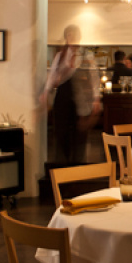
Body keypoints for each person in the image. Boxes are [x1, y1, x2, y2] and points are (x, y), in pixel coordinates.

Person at [40, 25, 101, 163]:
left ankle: (77, 166)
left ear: (79, 37)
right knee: (61, 134)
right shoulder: (60, 56)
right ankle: (61, 166)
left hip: (81, 100)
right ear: (66, 38)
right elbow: (52, 75)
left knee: (80, 135)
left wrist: (96, 98)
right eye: (69, 35)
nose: (72, 38)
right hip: (62, 98)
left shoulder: (86, 55)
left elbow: (94, 77)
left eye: (74, 35)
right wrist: (46, 92)